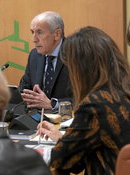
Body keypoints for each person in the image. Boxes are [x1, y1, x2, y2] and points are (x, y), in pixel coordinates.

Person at [37, 26, 130, 175]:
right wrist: (64, 139)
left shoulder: (95, 105)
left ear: (82, 69)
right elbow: (78, 161)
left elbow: (59, 161)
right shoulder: (124, 92)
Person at [19, 11, 72, 110]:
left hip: (67, 120)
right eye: (32, 32)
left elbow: (88, 98)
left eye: (39, 32)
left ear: (57, 34)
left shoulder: (76, 55)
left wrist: (53, 104)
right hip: (38, 120)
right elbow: (24, 88)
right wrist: (24, 97)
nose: (34, 39)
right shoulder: (34, 55)